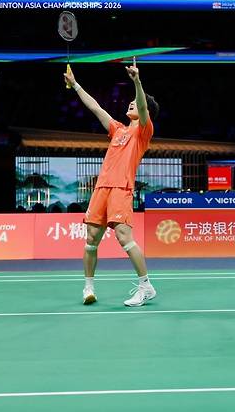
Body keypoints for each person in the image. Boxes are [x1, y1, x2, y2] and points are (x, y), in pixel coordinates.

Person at [64, 60, 159, 307]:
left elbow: (142, 105)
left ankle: (146, 286)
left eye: (135, 103)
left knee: (124, 237)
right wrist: (75, 84)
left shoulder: (144, 132)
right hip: (102, 189)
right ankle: (88, 288)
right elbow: (95, 107)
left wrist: (137, 81)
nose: (131, 104)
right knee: (91, 239)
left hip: (121, 188)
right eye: (130, 102)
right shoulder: (117, 129)